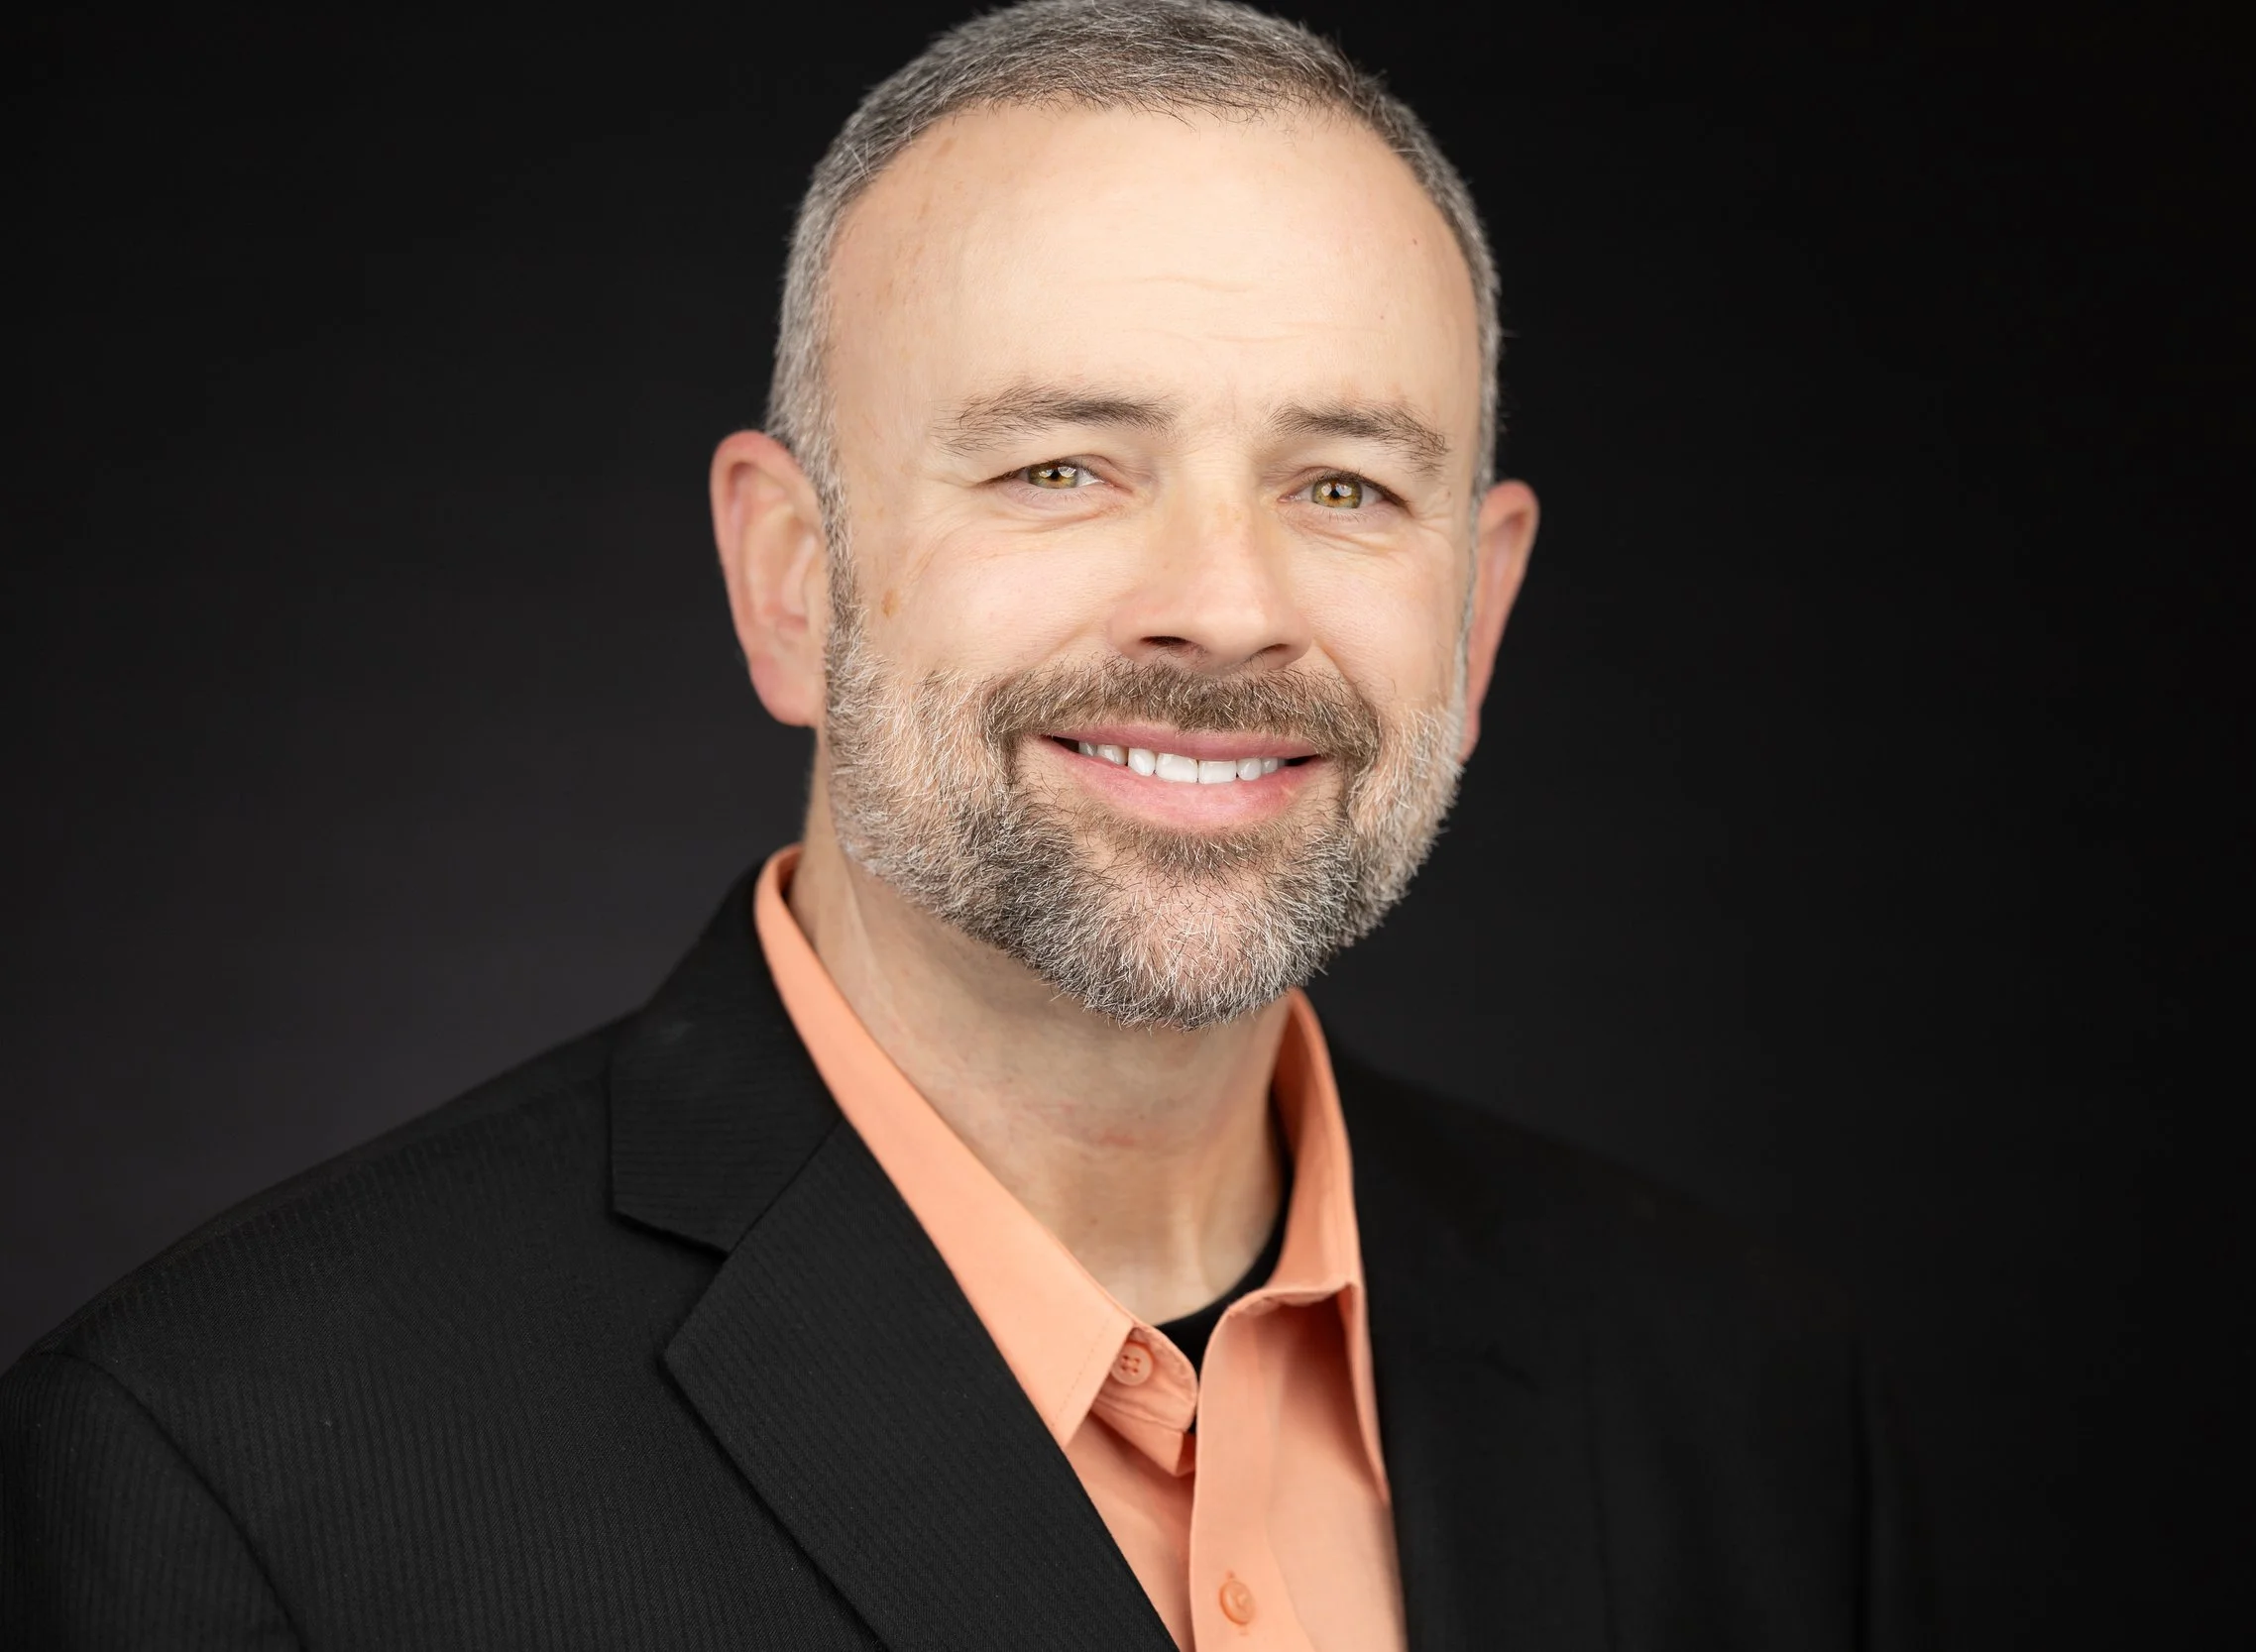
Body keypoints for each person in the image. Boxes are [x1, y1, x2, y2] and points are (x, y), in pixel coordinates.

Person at [0, 2, 1929, 1646]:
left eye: (1342, 485)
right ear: (786, 581)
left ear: (1478, 610)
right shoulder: (224, 1476)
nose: (1226, 605)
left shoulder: (1737, 1396)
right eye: (1062, 465)